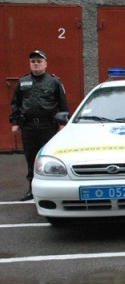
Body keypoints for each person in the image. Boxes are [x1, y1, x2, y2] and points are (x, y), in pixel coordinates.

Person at [9, 50, 69, 201]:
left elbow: (63, 104)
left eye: (39, 61)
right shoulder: (23, 82)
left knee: (49, 158)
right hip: (28, 127)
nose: (36, 64)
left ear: (45, 64)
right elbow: (16, 103)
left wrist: (62, 124)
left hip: (48, 126)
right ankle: (32, 189)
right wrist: (15, 123)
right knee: (31, 158)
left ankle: (52, 189)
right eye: (33, 61)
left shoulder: (54, 82)